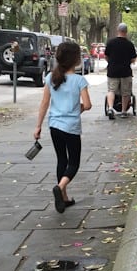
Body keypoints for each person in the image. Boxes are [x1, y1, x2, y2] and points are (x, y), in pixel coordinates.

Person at [34, 41, 92, 213]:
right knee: (73, 163)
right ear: (75, 59)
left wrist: (38, 126)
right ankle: (60, 188)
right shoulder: (79, 80)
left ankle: (64, 198)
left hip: (54, 126)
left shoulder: (51, 78)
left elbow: (44, 103)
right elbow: (88, 105)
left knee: (61, 160)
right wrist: (78, 109)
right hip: (71, 127)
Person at [105, 22, 137, 119]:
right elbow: (133, 59)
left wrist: (111, 62)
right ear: (126, 32)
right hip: (125, 72)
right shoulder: (130, 44)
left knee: (111, 90)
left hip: (112, 71)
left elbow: (106, 56)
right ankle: (123, 111)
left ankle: (110, 108)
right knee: (126, 92)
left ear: (118, 31)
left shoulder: (110, 43)